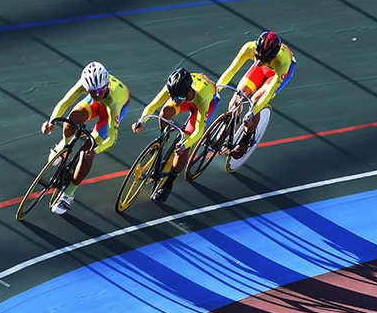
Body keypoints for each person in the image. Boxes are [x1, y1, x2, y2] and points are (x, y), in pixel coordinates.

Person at [41, 61, 130, 215]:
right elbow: (64, 103)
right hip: (96, 106)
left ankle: (68, 194)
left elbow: (112, 138)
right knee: (71, 119)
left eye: (98, 91)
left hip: (111, 110)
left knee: (87, 151)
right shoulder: (86, 84)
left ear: (106, 85)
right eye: (91, 92)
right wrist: (52, 122)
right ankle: (64, 146)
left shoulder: (114, 102)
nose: (95, 95)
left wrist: (96, 150)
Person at [132, 67, 219, 203]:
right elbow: (153, 105)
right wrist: (142, 120)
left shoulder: (202, 98)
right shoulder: (175, 88)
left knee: (186, 141)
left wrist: (185, 145)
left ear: (189, 92)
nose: (174, 101)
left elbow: (198, 131)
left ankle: (168, 184)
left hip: (206, 103)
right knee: (165, 112)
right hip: (189, 94)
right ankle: (164, 137)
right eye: (172, 97)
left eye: (178, 98)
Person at [216, 31, 296, 159]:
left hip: (277, 74)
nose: (258, 62)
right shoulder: (249, 48)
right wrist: (217, 90)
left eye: (263, 59)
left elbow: (269, 92)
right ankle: (231, 122)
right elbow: (231, 70)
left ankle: (246, 139)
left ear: (272, 57)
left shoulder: (282, 63)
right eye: (257, 56)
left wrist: (252, 113)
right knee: (238, 96)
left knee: (255, 101)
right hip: (265, 69)